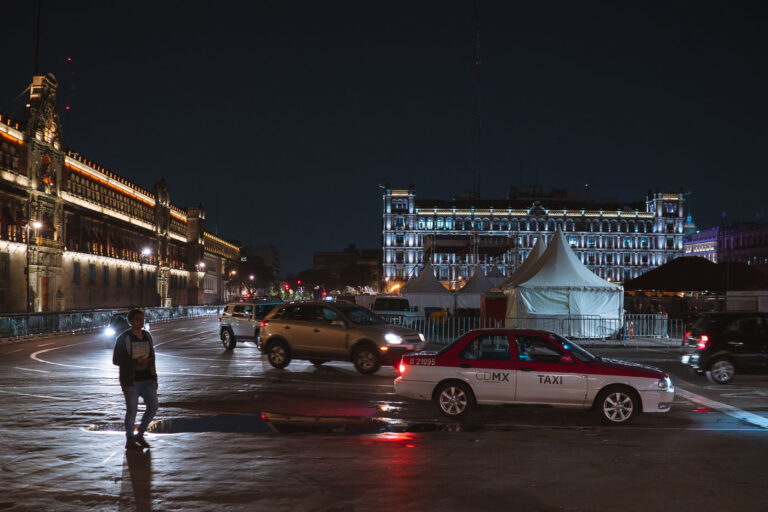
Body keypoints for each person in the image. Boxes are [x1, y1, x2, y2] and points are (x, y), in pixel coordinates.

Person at [113, 309, 158, 451]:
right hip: (131, 380)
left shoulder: (147, 336)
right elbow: (116, 359)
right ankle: (130, 438)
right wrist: (134, 362)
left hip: (147, 379)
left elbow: (153, 358)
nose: (141, 321)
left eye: (142, 319)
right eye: (138, 319)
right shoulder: (124, 338)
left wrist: (154, 376)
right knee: (132, 409)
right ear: (131, 321)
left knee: (153, 406)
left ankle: (141, 433)